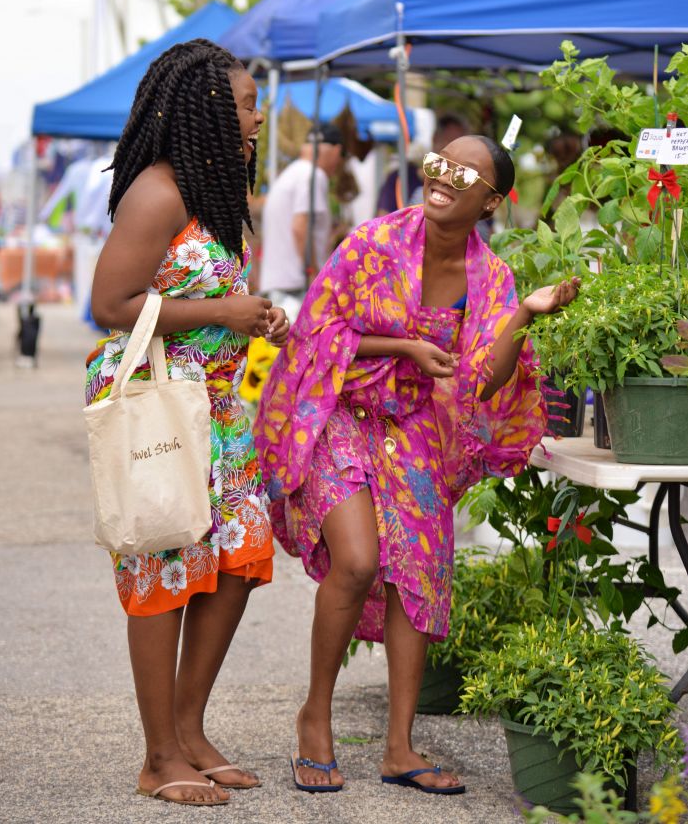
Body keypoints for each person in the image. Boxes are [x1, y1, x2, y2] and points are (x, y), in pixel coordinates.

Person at [254, 135, 579, 795]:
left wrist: (526, 312)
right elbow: (315, 334)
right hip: (340, 413)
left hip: (413, 427)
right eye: (439, 162)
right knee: (356, 561)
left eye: (464, 173)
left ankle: (399, 747)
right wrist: (403, 347)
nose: (443, 176)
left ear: (491, 201)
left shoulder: (491, 278)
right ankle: (314, 716)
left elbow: (486, 380)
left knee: (419, 572)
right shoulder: (373, 242)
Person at [86, 39, 290, 807]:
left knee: (239, 556)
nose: (257, 117)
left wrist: (252, 315)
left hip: (218, 406)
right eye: (245, 105)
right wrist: (222, 311)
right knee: (165, 564)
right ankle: (158, 756)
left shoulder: (212, 192)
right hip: (158, 401)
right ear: (204, 110)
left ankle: (189, 729)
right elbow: (110, 304)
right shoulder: (158, 192)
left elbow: (204, 294)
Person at [259, 122, 344, 320]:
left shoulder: (292, 173)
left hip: (279, 285)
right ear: (336, 151)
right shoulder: (313, 175)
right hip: (296, 288)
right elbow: (300, 228)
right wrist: (314, 274)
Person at [376, 111, 469, 215]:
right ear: (435, 138)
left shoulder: (461, 189)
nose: (455, 151)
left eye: (461, 146)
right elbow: (382, 216)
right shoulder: (402, 177)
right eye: (449, 141)